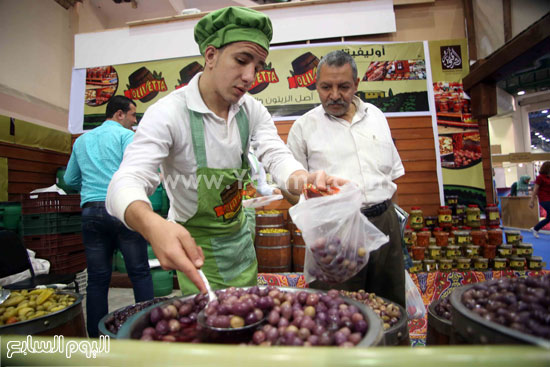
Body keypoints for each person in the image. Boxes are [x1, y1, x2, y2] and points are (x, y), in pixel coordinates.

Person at [106, 6, 343, 296]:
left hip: (240, 244)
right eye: (241, 61)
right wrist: (153, 225)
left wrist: (304, 179)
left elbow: (276, 156)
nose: (249, 77)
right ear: (210, 55)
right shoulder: (168, 114)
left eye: (257, 66)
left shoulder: (251, 110)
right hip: (195, 251)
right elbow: (125, 182)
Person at [286, 50, 406, 307]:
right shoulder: (304, 127)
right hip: (334, 233)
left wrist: (396, 225)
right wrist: (307, 188)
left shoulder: (376, 117)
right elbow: (289, 190)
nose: (334, 95)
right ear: (316, 85)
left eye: (344, 87)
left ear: (357, 85)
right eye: (326, 87)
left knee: (391, 306)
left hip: (385, 225)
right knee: (337, 311)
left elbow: (392, 176)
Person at [64, 95, 154, 337]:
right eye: (133, 115)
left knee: (96, 280)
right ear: (119, 114)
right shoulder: (127, 137)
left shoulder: (82, 141)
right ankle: (148, 331)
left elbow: (70, 180)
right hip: (122, 209)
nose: (135, 121)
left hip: (91, 211)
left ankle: (96, 339)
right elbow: (136, 169)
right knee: (140, 272)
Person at [529, 161, 550, 238]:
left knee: (548, 218)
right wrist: (532, 201)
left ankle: (535, 228)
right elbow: (535, 189)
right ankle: (535, 228)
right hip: (544, 199)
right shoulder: (540, 177)